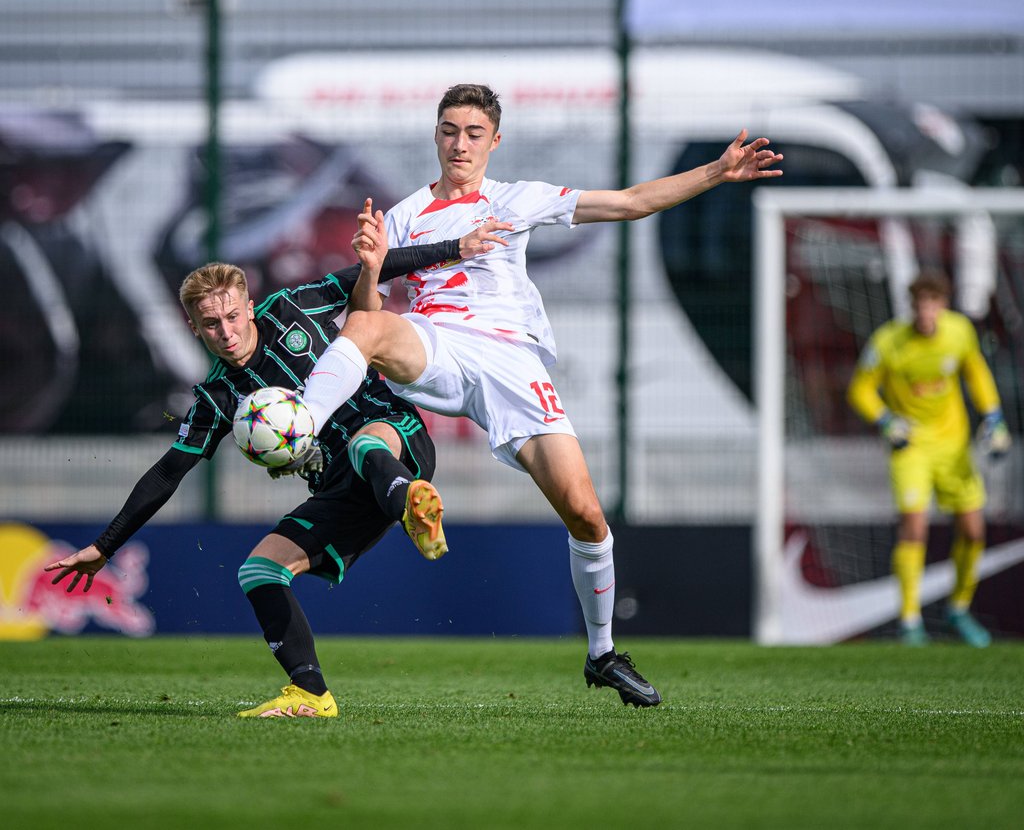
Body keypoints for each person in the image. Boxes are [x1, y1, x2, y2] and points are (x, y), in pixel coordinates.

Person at [298, 84, 784, 707]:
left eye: (474, 133)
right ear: (435, 135)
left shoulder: (515, 200)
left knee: (585, 514)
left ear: (495, 141)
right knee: (361, 327)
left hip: (510, 361)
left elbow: (632, 202)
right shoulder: (400, 216)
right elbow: (370, 317)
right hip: (437, 345)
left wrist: (717, 172)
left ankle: (602, 653)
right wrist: (370, 267)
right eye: (450, 130)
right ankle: (301, 426)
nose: (461, 143)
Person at [45, 215, 510, 719]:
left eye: (232, 318)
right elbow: (166, 473)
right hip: (341, 490)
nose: (226, 333)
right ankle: (311, 693)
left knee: (360, 444)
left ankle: (411, 505)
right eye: (211, 325)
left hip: (393, 436)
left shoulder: (294, 306)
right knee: (259, 571)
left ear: (249, 307)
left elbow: (374, 268)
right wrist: (103, 545)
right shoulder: (217, 397)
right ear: (193, 327)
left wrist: (458, 246)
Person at [847, 269, 1011, 647]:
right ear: (912, 309)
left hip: (953, 446)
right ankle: (909, 620)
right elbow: (861, 389)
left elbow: (977, 373)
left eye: (933, 306)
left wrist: (994, 417)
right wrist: (886, 420)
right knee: (914, 525)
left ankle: (958, 608)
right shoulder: (888, 342)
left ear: (944, 306)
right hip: (912, 447)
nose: (927, 315)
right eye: (920, 307)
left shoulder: (959, 333)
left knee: (973, 531)